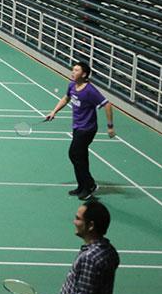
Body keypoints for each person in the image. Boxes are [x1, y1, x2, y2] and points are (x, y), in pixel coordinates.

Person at [46, 62, 115, 200]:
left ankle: (89, 186)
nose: (73, 72)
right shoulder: (72, 85)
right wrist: (54, 111)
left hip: (87, 129)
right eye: (73, 69)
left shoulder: (90, 91)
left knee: (74, 154)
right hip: (77, 127)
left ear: (84, 74)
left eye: (76, 70)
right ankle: (82, 186)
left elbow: (107, 105)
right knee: (80, 157)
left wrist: (110, 126)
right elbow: (66, 98)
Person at [56, 201, 120, 294]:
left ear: (91, 225)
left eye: (78, 219)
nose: (74, 222)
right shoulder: (109, 250)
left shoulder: (89, 258)